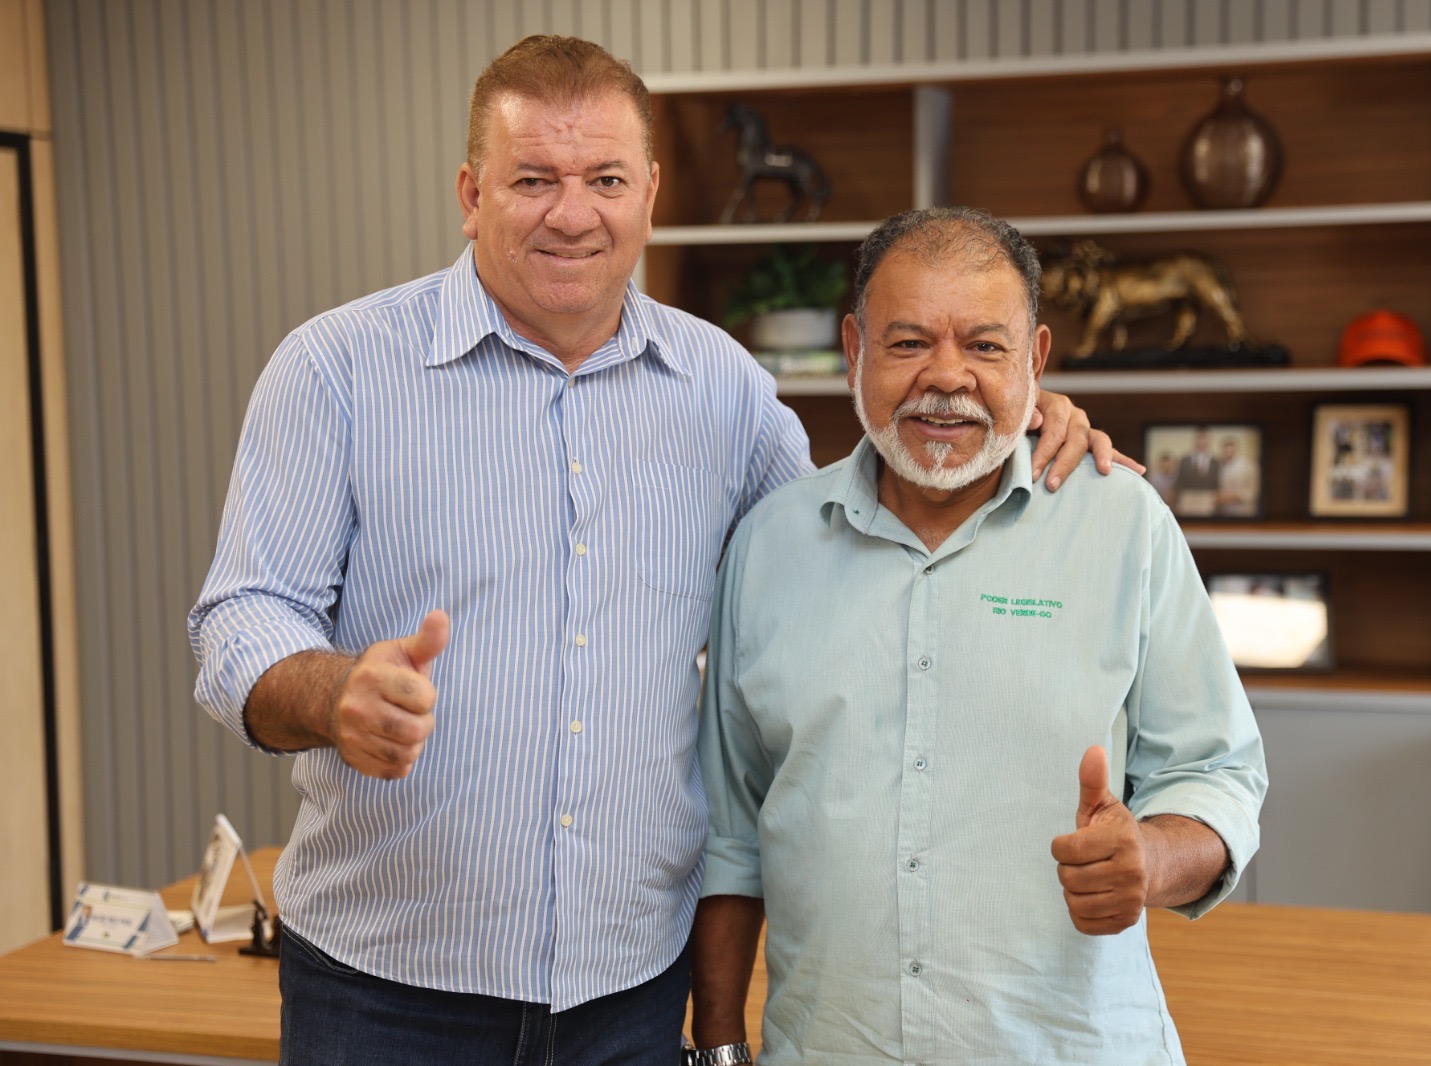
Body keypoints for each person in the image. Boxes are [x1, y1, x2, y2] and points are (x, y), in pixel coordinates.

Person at [187, 36, 1121, 1065]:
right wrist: (333, 695)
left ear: (649, 194)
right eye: (532, 179)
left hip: (628, 995)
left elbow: (852, 535)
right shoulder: (336, 369)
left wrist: (1005, 421)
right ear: (470, 194)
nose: (572, 213)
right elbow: (242, 614)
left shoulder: (721, 388)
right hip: (385, 993)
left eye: (605, 179)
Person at [690, 207, 1268, 1065]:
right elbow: (729, 836)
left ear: (1035, 360)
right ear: (854, 350)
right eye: (908, 343)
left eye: (985, 347)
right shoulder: (769, 545)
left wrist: (1148, 857)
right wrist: (718, 1047)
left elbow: (1217, 773)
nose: (946, 377)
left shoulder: (1124, 525)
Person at [1172, 425, 1220, 514]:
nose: (1201, 441)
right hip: (1187, 500)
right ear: (1195, 440)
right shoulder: (1184, 460)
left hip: (1208, 501)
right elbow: (1179, 482)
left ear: (1209, 440)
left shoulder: (1216, 462)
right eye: (1199, 438)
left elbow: (1217, 485)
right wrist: (1176, 502)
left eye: (1204, 438)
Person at [1215, 434, 1260, 517]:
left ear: (1235, 449)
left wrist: (1234, 497)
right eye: (1225, 450)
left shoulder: (1248, 465)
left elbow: (1253, 491)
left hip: (1243, 511)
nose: (1228, 453)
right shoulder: (1220, 466)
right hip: (1224, 512)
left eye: (1230, 450)